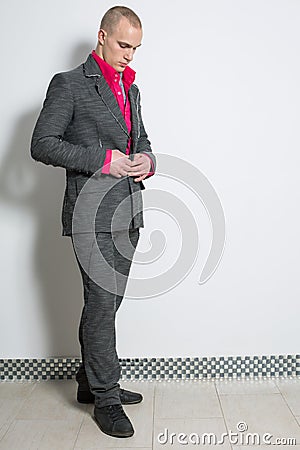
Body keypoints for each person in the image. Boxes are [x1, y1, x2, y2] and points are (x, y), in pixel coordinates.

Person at [30, 5, 156, 439]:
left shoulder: (131, 89)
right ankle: (106, 397)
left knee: (109, 303)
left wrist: (146, 160)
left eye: (136, 49)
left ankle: (89, 379)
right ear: (102, 36)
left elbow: (141, 139)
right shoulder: (68, 84)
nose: (130, 56)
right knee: (102, 307)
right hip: (90, 213)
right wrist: (103, 160)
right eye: (124, 45)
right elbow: (42, 144)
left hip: (128, 212)